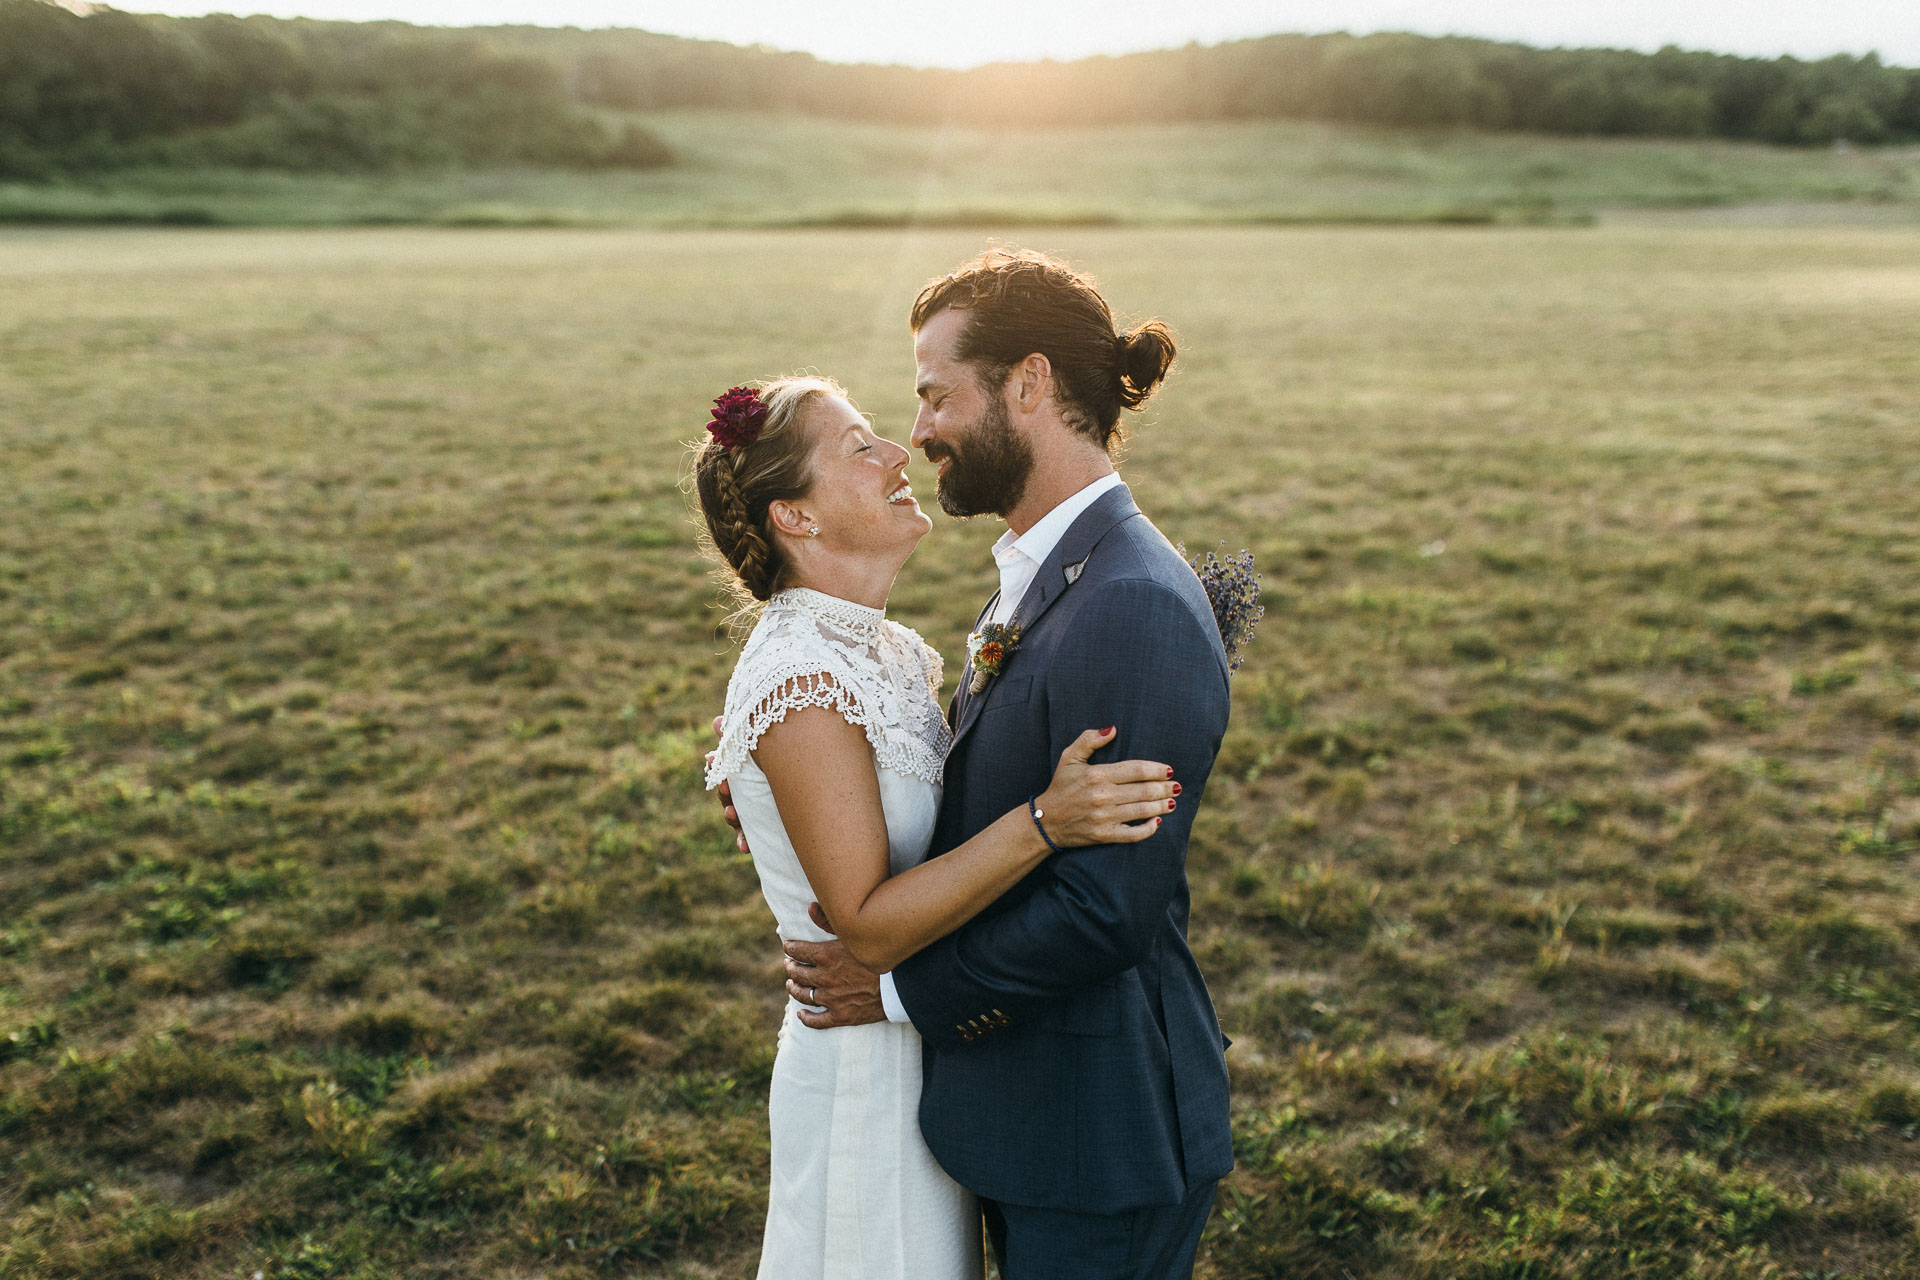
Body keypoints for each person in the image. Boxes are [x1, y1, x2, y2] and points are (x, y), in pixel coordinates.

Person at [748, 248, 1236, 1280]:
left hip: (1100, 1136)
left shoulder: (1130, 600)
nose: (917, 431)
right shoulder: (1044, 569)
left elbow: (1106, 912)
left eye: (934, 396)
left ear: (1030, 384)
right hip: (1023, 1120)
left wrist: (889, 990)